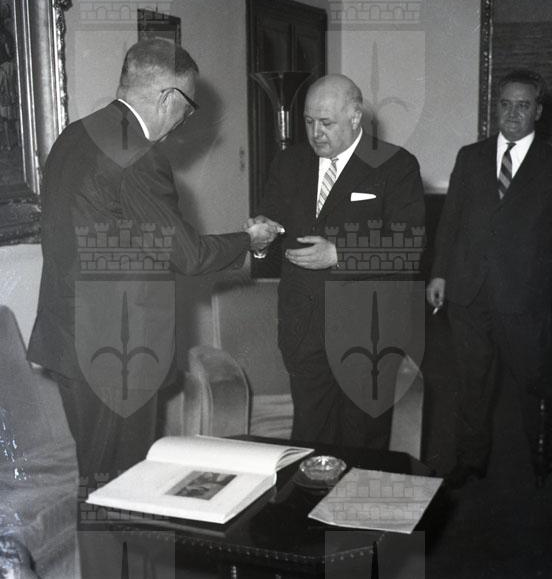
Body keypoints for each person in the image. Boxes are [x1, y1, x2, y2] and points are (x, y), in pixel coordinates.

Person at [27, 38, 280, 486]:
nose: (185, 119)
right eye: (188, 107)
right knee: (123, 486)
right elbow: (189, 255)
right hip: (118, 355)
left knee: (96, 478)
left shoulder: (73, 135)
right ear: (168, 97)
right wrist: (249, 239)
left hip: (70, 340)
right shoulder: (139, 156)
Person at [248, 74, 425, 448]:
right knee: (308, 439)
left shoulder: (395, 164)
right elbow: (270, 218)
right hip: (303, 327)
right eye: (309, 121)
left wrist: (338, 253)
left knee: (362, 443)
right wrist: (261, 235)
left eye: (326, 123)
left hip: (367, 332)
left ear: (355, 117)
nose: (316, 133)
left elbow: (409, 245)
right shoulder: (289, 162)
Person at [426, 69, 552, 487]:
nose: (513, 113)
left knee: (533, 384)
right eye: (506, 104)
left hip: (525, 297)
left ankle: (539, 458)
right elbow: (450, 222)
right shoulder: (470, 157)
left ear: (538, 111)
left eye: (523, 105)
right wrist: (439, 273)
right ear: (496, 107)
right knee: (471, 384)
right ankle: (471, 460)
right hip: (468, 291)